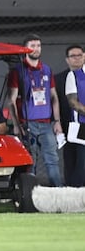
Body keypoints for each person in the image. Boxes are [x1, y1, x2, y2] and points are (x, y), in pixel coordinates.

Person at [6, 33, 63, 187]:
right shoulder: (18, 71)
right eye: (32, 46)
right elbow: (11, 100)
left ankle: (58, 193)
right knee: (30, 161)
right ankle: (29, 196)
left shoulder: (47, 69)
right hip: (27, 124)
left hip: (46, 124)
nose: (36, 49)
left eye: (38, 45)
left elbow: (54, 97)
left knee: (52, 160)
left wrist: (57, 122)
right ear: (25, 49)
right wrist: (17, 125)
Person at [55, 44, 83, 186]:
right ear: (67, 59)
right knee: (70, 159)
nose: (77, 58)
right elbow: (57, 101)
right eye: (73, 56)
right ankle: (71, 189)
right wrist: (57, 122)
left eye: (80, 55)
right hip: (67, 124)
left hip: (82, 124)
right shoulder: (59, 79)